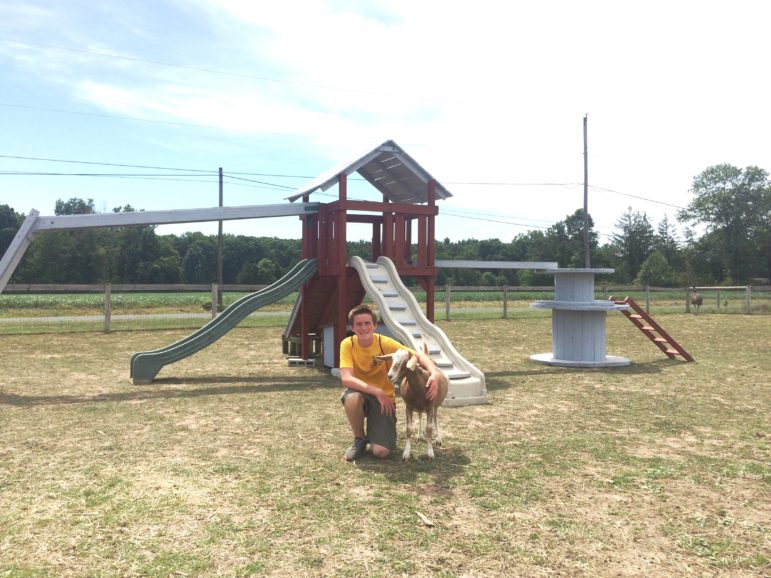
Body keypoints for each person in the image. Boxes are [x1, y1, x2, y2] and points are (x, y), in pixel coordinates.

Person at [339, 304, 441, 462]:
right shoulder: (348, 344)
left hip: (385, 400)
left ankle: (375, 436)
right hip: (365, 394)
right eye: (359, 324)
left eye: (367, 323)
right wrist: (378, 392)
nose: (363, 328)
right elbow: (346, 379)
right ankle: (359, 439)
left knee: (381, 452)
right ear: (352, 327)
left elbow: (419, 356)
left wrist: (434, 374)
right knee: (352, 398)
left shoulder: (385, 343)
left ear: (374, 325)